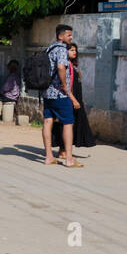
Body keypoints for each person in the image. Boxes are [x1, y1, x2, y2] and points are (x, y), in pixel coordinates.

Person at [42, 24, 82, 167]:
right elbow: (60, 67)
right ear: (61, 36)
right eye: (69, 35)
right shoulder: (61, 50)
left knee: (47, 122)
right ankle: (69, 158)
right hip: (60, 93)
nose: (71, 38)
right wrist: (66, 87)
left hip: (47, 92)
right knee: (68, 123)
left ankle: (49, 157)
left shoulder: (49, 48)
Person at [52, 44, 95, 152]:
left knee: (73, 125)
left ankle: (66, 149)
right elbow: (66, 85)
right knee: (65, 124)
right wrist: (73, 99)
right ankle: (62, 150)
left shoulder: (73, 65)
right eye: (71, 50)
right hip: (68, 98)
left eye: (75, 50)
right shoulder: (66, 66)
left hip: (75, 99)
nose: (74, 52)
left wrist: (80, 99)